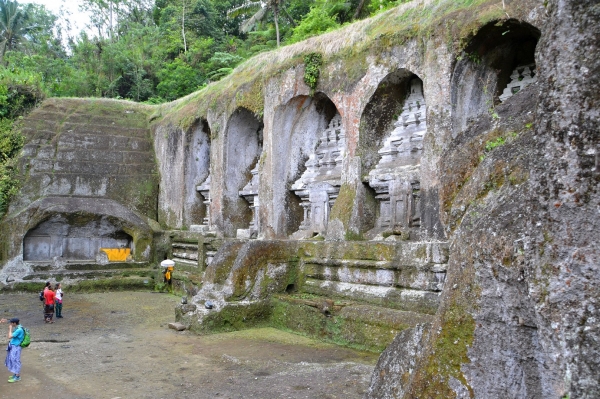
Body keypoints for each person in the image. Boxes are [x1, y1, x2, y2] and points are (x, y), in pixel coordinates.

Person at [5, 318, 23, 383]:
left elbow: (9, 336)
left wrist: (10, 329)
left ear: (14, 323)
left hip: (16, 347)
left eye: (11, 323)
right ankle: (15, 374)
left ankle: (17, 377)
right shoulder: (19, 327)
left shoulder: (19, 329)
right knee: (13, 360)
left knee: (16, 360)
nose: (10, 324)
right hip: (14, 346)